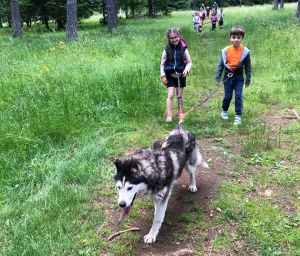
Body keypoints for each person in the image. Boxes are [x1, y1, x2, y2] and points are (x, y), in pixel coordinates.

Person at [215, 26, 251, 125]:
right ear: (230, 38)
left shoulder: (245, 52)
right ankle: (224, 110)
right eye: (234, 37)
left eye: (238, 37)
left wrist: (248, 79)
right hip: (227, 77)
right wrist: (217, 77)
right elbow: (221, 65)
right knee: (228, 96)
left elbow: (248, 67)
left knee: (238, 96)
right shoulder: (225, 51)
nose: (236, 40)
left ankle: (238, 116)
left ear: (242, 38)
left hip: (239, 78)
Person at [160, 28, 192, 122]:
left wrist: (186, 70)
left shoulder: (184, 49)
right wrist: (163, 76)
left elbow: (189, 62)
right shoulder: (166, 50)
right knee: (170, 95)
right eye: (172, 38)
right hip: (170, 75)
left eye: (176, 37)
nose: (174, 39)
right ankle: (169, 114)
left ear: (179, 36)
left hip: (181, 75)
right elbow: (162, 64)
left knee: (179, 95)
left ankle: (180, 112)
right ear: (169, 39)